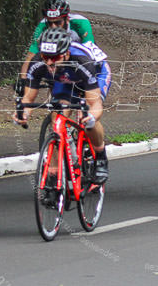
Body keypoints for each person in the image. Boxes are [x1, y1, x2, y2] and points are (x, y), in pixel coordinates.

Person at [14, 27, 111, 184]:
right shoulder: (39, 62)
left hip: (95, 73)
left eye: (55, 57)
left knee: (87, 119)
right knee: (57, 118)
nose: (49, 62)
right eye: (46, 56)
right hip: (65, 77)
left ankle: (100, 156)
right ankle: (54, 172)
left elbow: (95, 103)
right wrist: (23, 113)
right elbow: (28, 98)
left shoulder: (82, 61)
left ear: (66, 54)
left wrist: (91, 116)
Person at [27, 0, 94, 56]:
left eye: (57, 22)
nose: (53, 27)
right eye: (50, 23)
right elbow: (31, 55)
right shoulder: (42, 25)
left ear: (67, 19)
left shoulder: (81, 23)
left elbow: (90, 51)